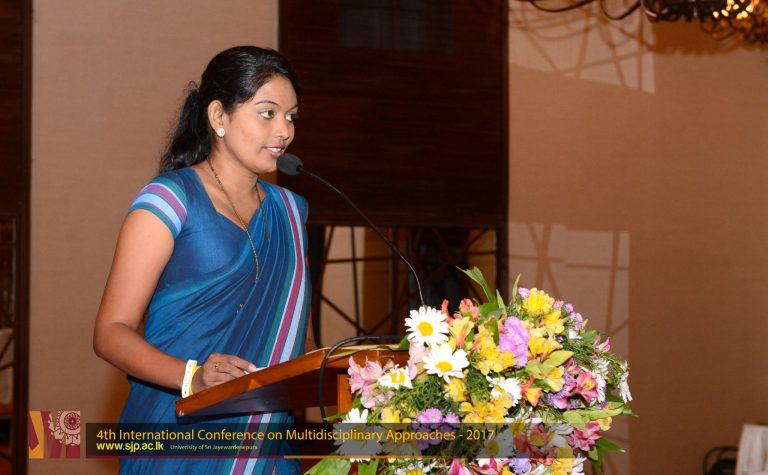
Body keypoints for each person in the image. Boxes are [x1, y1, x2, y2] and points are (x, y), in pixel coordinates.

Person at [93, 46, 314, 474]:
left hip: (264, 441)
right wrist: (191, 377)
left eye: (291, 116)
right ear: (218, 116)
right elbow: (110, 332)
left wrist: (349, 376)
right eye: (267, 113)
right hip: (176, 434)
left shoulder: (291, 212)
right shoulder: (169, 201)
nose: (284, 131)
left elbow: (296, 333)